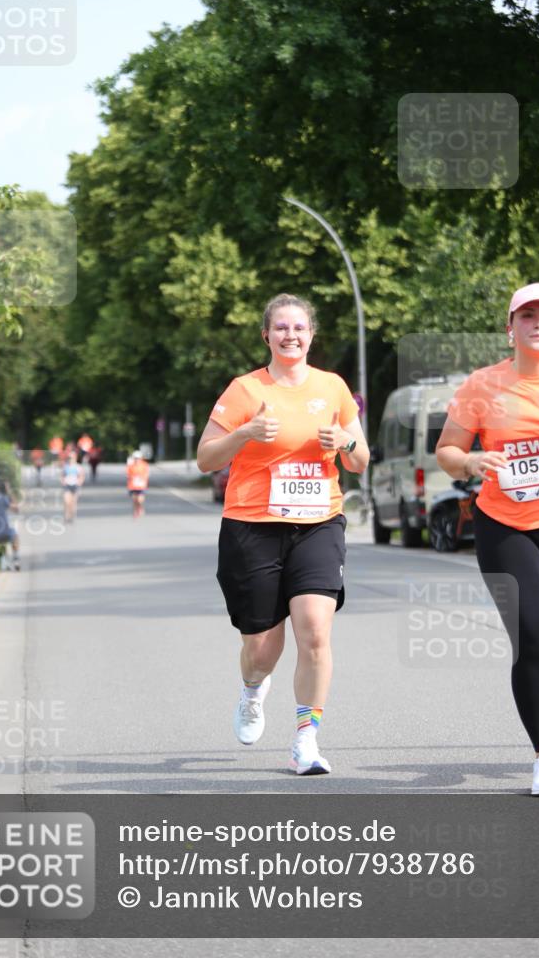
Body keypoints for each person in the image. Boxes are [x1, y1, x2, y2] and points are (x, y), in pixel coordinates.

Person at [197, 294, 369, 775]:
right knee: (261, 650)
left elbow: (360, 460)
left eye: (299, 328)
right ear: (266, 336)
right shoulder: (245, 389)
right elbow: (206, 458)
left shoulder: (332, 387)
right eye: (281, 328)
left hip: (318, 523)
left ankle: (305, 740)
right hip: (252, 525)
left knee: (314, 630)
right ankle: (252, 690)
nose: (290, 335)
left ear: (311, 335)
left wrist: (346, 441)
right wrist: (244, 434)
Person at [436, 283, 539, 795]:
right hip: (504, 524)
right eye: (528, 315)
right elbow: (447, 452)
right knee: (536, 637)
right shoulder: (482, 385)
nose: (538, 322)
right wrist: (472, 461)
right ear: (511, 328)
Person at [61, 451, 86, 523]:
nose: (70, 459)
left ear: (75, 458)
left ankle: (72, 516)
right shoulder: (65, 466)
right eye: (69, 457)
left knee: (73, 502)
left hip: (75, 486)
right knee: (66, 501)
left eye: (72, 457)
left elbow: (82, 476)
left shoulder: (78, 467)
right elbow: (62, 475)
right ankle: (66, 516)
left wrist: (79, 483)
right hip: (67, 486)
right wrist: (63, 481)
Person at [126, 450, 149, 517]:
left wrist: (142, 478)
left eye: (138, 458)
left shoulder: (144, 465)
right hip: (132, 485)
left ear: (141, 458)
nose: (137, 460)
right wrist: (132, 477)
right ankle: (135, 511)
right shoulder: (131, 465)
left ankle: (140, 507)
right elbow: (128, 474)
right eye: (135, 458)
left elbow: (146, 474)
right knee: (134, 499)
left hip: (141, 485)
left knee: (140, 500)